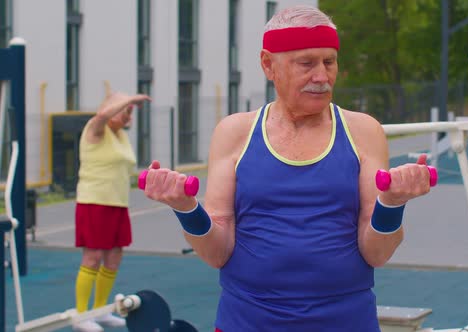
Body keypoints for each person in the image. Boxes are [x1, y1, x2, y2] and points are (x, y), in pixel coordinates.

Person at [142, 5, 431, 331]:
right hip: (248, 321)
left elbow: (377, 253)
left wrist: (392, 204)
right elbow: (216, 253)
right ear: (268, 64)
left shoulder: (363, 131)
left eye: (329, 61)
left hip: (345, 321)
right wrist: (185, 207)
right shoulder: (235, 132)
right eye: (306, 63)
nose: (322, 76)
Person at [73, 92, 150, 332]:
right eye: (125, 110)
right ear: (110, 108)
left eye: (130, 112)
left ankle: (100, 311)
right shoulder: (95, 129)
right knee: (93, 257)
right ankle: (81, 315)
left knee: (114, 256)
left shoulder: (121, 137)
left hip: (118, 204)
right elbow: (103, 114)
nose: (128, 115)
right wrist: (132, 98)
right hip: (94, 202)